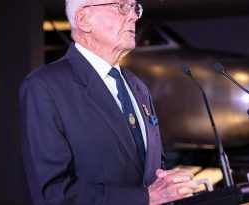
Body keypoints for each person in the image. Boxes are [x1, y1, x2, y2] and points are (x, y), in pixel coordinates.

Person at [19, 0, 197, 204]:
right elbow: (53, 193)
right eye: (121, 6)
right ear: (84, 20)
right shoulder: (45, 86)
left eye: (134, 7)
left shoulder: (138, 87)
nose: (133, 16)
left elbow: (149, 168)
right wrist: (146, 197)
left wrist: (170, 184)